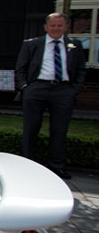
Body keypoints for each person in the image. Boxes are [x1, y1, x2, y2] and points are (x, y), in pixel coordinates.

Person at [15, 12, 86, 179]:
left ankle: (56, 166)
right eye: (53, 25)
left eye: (60, 25)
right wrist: (25, 87)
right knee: (31, 128)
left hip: (63, 90)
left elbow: (81, 69)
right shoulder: (31, 45)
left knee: (59, 130)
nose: (56, 28)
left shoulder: (74, 45)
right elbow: (20, 68)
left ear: (66, 27)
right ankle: (27, 164)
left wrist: (74, 89)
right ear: (46, 27)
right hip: (37, 88)